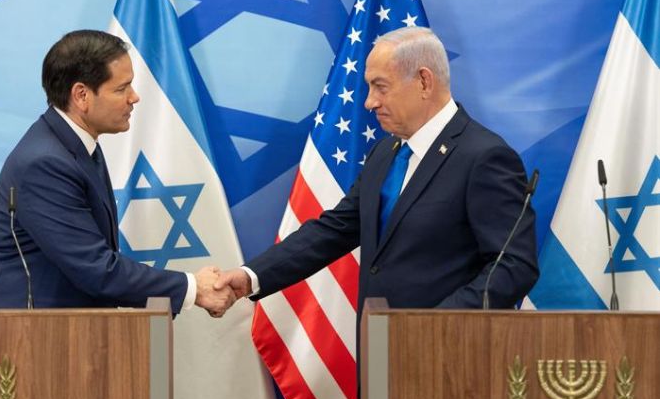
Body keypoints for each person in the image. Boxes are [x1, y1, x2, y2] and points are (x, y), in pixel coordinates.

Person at [216, 27, 539, 319]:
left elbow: (513, 265)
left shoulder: (483, 156)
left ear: (424, 81)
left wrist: (434, 326)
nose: (369, 102)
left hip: (444, 356)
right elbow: (335, 230)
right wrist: (250, 276)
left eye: (380, 87)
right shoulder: (386, 153)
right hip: (378, 345)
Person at [0, 30, 233, 316]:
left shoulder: (78, 146)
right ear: (82, 95)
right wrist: (193, 287)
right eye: (122, 89)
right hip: (19, 335)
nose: (135, 97)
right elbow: (95, 269)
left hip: (63, 330)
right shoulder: (45, 163)